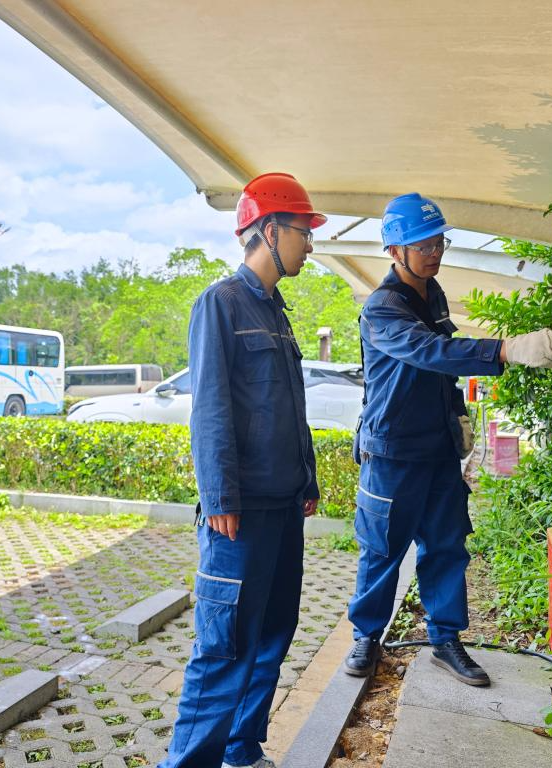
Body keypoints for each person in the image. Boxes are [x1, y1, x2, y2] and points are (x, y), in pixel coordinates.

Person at [343, 192, 552, 686]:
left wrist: (457, 417)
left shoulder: (434, 294)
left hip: (438, 449)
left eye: (439, 242)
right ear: (395, 251)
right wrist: (507, 349)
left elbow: (440, 370)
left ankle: (445, 639)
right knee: (382, 550)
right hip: (391, 451)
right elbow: (430, 351)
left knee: (447, 547)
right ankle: (366, 636)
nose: (435, 252)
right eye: (423, 245)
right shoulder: (382, 308)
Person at [160, 173, 325, 768]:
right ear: (269, 231)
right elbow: (210, 409)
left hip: (283, 507)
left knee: (273, 633)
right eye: (303, 231)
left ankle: (241, 749)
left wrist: (307, 481)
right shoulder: (221, 303)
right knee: (224, 647)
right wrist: (220, 497)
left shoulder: (277, 311)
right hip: (241, 514)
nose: (310, 243)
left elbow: (289, 407)